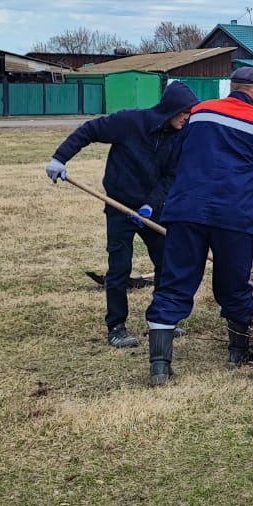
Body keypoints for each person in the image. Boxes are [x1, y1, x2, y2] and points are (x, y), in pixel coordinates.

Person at [144, 66, 253, 386]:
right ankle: (237, 353)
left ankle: (159, 365)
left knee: (174, 282)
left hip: (186, 210)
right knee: (234, 283)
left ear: (232, 87)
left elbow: (176, 153)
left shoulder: (199, 113)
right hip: (235, 216)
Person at [45, 81, 198, 348]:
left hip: (153, 212)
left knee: (166, 264)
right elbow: (89, 131)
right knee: (119, 267)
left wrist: (150, 206)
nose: (187, 117)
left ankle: (160, 321)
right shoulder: (130, 122)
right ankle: (116, 327)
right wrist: (60, 158)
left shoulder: (179, 138)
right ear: (171, 109)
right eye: (185, 112)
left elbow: (170, 176)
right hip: (118, 206)